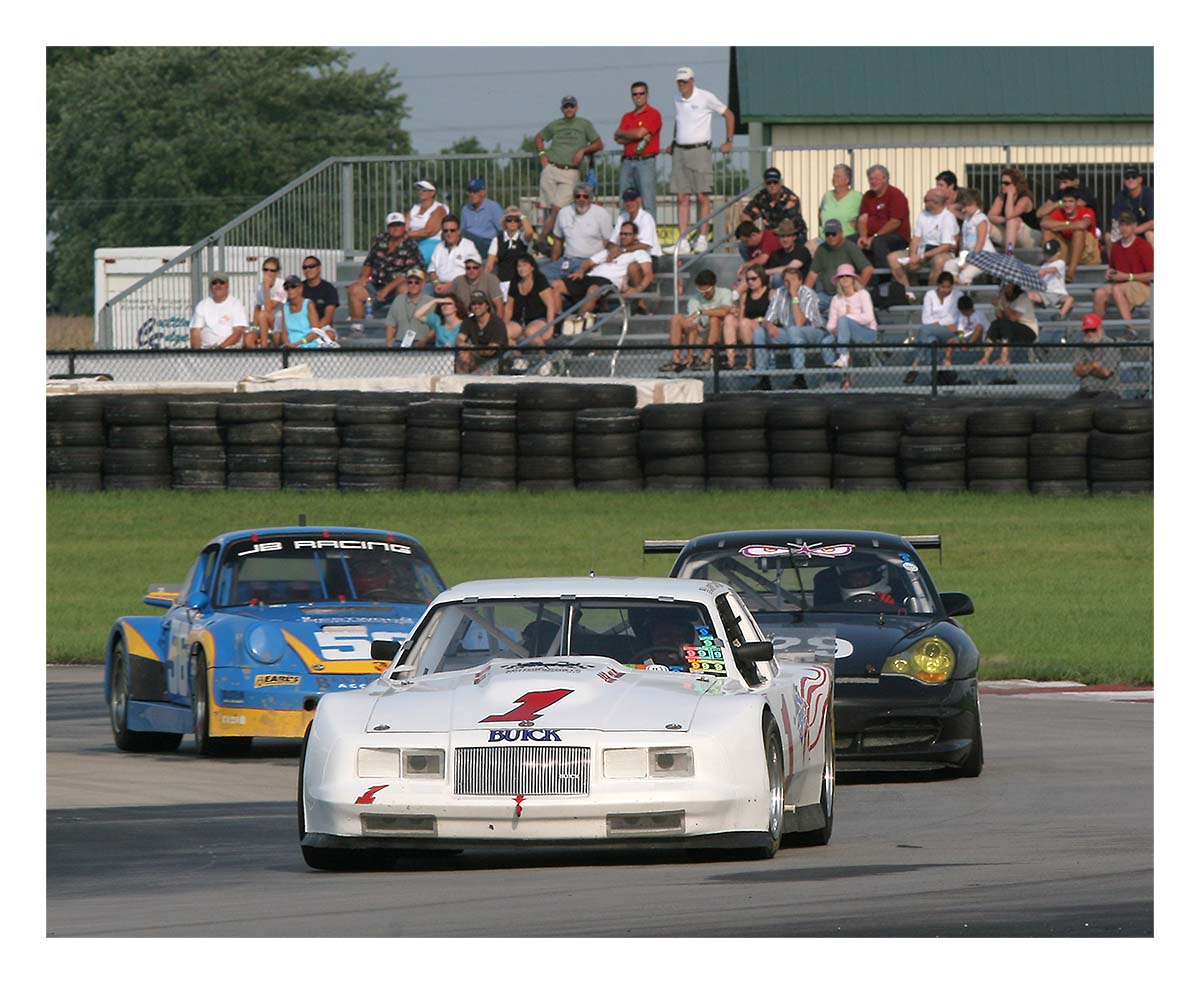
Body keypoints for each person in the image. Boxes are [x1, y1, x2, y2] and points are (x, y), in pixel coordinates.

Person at [669, 66, 735, 255]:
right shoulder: (676, 98)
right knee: (681, 197)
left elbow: (728, 114)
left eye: (685, 81)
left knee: (702, 196)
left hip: (700, 150)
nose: (682, 85)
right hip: (680, 150)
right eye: (679, 82)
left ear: (692, 81)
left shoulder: (706, 96)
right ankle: (682, 240)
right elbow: (679, 120)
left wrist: (728, 141)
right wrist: (673, 141)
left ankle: (702, 237)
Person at [534, 96, 603, 250]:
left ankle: (541, 239)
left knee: (559, 208)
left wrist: (583, 150)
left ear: (576, 108)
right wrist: (542, 155)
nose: (569, 109)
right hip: (551, 168)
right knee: (549, 209)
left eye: (571, 106)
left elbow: (599, 144)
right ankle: (554, 242)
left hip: (570, 171)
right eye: (566, 107)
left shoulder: (584, 124)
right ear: (562, 109)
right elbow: (538, 138)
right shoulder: (555, 124)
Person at [551, 221, 652, 316]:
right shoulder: (611, 251)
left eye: (627, 234)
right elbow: (589, 262)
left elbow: (648, 273)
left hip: (609, 281)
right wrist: (580, 270)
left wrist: (638, 289)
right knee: (556, 284)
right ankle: (557, 322)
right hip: (591, 277)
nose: (623, 237)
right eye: (621, 234)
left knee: (593, 290)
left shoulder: (639, 253)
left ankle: (577, 321)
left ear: (635, 236)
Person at [753, 265, 828, 389]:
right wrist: (769, 324)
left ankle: (800, 377)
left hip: (813, 331)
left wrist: (794, 296)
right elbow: (767, 318)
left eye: (793, 281)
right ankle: (763, 377)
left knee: (795, 331)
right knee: (759, 332)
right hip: (789, 332)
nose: (789, 284)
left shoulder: (808, 293)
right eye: (787, 281)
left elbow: (800, 322)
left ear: (800, 281)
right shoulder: (779, 292)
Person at [887, 188, 958, 299]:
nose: (924, 202)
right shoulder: (923, 214)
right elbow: (916, 238)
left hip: (940, 251)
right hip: (922, 249)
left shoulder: (947, 217)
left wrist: (920, 257)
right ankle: (908, 293)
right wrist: (912, 255)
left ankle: (930, 296)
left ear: (935, 202)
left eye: (926, 200)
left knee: (938, 261)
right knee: (892, 257)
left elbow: (945, 246)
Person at [349, 212, 421, 320]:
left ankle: (401, 329)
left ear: (404, 227)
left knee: (405, 289)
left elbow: (408, 274)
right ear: (388, 228)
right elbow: (369, 262)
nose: (395, 228)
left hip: (396, 287)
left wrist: (386, 289)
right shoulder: (380, 240)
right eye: (392, 225)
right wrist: (363, 278)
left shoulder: (411, 245)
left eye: (398, 225)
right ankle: (357, 328)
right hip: (376, 284)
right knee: (354, 289)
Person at [663, 268, 736, 371]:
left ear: (713, 285)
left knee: (715, 318)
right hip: (701, 333)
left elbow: (724, 311)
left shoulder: (725, 292)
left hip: (720, 333)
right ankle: (676, 360)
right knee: (677, 318)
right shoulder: (694, 299)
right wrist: (690, 354)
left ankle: (706, 359)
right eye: (700, 291)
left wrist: (701, 312)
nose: (704, 294)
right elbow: (693, 326)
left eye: (706, 291)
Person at [1093, 211, 1153, 328]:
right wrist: (1110, 273)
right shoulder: (1116, 246)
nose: (1124, 228)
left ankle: (1130, 329)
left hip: (1142, 286)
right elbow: (1113, 267)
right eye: (1122, 225)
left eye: (1127, 225)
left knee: (1117, 289)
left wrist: (1128, 276)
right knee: (1099, 293)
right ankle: (1096, 332)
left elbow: (1153, 274)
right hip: (1122, 285)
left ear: (1134, 226)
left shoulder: (1143, 245)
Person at [614, 81, 662, 217]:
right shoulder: (627, 116)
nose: (638, 97)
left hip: (645, 162)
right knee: (625, 201)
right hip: (627, 162)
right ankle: (625, 233)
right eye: (635, 94)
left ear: (647, 95)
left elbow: (638, 133)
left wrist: (624, 133)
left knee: (648, 203)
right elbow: (617, 138)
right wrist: (635, 135)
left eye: (641, 93)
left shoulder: (653, 114)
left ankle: (649, 237)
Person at [807, 220, 875, 317]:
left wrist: (855, 293)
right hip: (826, 295)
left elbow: (868, 269)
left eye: (833, 234)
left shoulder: (850, 247)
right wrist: (804, 297)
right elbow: (812, 275)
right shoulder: (821, 249)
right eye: (827, 234)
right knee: (805, 306)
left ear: (841, 233)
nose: (830, 237)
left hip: (845, 295)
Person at [547, 183, 613, 280]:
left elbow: (609, 242)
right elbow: (558, 241)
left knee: (575, 281)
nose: (581, 199)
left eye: (585, 196)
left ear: (591, 199)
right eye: (578, 196)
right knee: (540, 276)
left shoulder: (601, 213)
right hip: (567, 260)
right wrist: (554, 264)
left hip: (590, 262)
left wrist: (602, 262)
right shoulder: (564, 213)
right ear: (574, 198)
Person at [856, 164, 911, 279]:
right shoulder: (868, 196)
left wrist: (874, 237)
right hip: (872, 236)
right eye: (871, 179)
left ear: (885, 179)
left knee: (879, 242)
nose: (873, 182)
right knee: (849, 242)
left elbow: (895, 222)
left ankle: (884, 280)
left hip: (896, 237)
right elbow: (862, 219)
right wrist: (863, 237)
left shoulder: (896, 195)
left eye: (876, 179)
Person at [904, 272, 961, 383]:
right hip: (934, 332)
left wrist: (934, 324)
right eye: (943, 287)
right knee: (930, 340)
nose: (945, 290)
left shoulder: (958, 295)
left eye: (948, 287)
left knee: (924, 330)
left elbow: (952, 319)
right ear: (938, 285)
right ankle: (934, 376)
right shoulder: (930, 294)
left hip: (951, 332)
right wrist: (940, 324)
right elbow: (925, 319)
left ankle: (916, 364)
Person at [1040, 189, 1101, 282]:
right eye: (1065, 201)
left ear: (1077, 202)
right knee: (1047, 231)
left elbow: (1083, 224)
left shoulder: (1087, 211)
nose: (1067, 205)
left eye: (1071, 201)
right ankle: (1051, 266)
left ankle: (1070, 273)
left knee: (1079, 232)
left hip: (1087, 254)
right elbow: (1044, 223)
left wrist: (1059, 226)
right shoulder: (1059, 212)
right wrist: (1068, 224)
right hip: (1068, 251)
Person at [826, 264, 877, 373]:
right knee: (826, 341)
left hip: (866, 333)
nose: (844, 278)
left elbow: (869, 318)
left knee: (844, 320)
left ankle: (843, 356)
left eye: (847, 276)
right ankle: (831, 373)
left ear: (853, 279)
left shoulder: (863, 294)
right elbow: (830, 324)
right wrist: (836, 328)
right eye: (841, 276)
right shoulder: (836, 299)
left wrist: (847, 319)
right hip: (842, 333)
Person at [723, 263, 772, 370]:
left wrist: (757, 320)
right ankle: (730, 360)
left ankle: (750, 360)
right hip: (746, 326)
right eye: (748, 279)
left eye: (753, 279)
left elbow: (773, 317)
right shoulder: (746, 295)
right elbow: (741, 317)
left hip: (763, 326)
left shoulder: (770, 293)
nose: (750, 282)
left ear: (761, 277)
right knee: (730, 319)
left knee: (745, 323)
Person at [978, 282, 1038, 367]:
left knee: (1006, 323)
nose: (1005, 289)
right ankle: (985, 357)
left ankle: (1004, 357)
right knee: (995, 323)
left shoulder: (1023, 298)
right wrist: (997, 305)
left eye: (1007, 286)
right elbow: (1000, 316)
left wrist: (1003, 300)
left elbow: (1013, 318)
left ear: (1013, 286)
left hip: (1028, 330)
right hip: (1010, 329)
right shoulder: (1006, 300)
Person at [505, 254, 558, 348]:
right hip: (519, 321)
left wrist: (550, 328)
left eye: (524, 265)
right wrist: (504, 324)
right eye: (519, 266)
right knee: (503, 333)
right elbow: (509, 308)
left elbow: (550, 306)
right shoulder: (514, 282)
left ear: (532, 267)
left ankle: (544, 359)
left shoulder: (540, 281)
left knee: (530, 332)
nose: (521, 268)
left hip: (539, 319)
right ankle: (518, 359)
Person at [945, 188, 993, 285]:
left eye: (966, 206)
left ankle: (967, 295)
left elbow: (980, 243)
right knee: (949, 265)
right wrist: (963, 202)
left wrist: (969, 261)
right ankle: (959, 289)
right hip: (968, 255)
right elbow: (950, 208)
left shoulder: (981, 219)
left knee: (964, 275)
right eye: (962, 206)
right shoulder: (967, 217)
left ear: (974, 203)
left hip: (983, 257)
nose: (963, 209)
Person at [742, 166, 806, 239]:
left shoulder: (791, 199)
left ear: (781, 183)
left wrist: (763, 235)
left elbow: (786, 227)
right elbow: (745, 215)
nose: (772, 185)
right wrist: (753, 231)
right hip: (771, 236)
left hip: (792, 236)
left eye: (775, 182)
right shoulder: (761, 197)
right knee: (744, 244)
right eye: (769, 183)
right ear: (765, 184)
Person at [189, 272, 247, 349]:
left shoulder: (235, 304)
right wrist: (197, 353)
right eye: (214, 283)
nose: (218, 285)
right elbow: (195, 332)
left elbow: (238, 333)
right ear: (210, 286)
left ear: (227, 285)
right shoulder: (202, 305)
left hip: (229, 349)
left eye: (221, 282)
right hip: (205, 350)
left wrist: (219, 348)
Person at [988, 167, 1040, 252]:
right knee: (985, 222)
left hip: (1031, 237)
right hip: (1011, 235)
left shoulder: (1024, 199)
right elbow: (990, 216)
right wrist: (1004, 220)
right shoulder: (1000, 198)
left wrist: (1010, 196)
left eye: (1006, 183)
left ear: (1016, 184)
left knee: (1012, 221)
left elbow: (1009, 215)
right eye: (1001, 183)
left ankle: (1009, 252)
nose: (1002, 186)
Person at [456, 291, 509, 373]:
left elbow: (490, 351)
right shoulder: (468, 321)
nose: (476, 306)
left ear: (487, 306)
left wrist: (470, 347)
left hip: (497, 359)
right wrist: (467, 347)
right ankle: (462, 384)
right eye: (473, 304)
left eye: (480, 303)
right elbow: (459, 340)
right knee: (463, 356)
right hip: (478, 357)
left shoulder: (497, 323)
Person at [813, 163, 862, 253]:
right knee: (809, 248)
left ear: (847, 180)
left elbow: (862, 217)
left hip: (847, 239)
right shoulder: (827, 196)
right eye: (834, 176)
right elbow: (820, 214)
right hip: (825, 239)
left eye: (837, 176)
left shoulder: (857, 197)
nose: (834, 179)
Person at [385, 269, 439, 348]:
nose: (413, 285)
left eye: (417, 282)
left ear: (423, 284)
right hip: (400, 342)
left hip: (423, 343)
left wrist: (424, 341)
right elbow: (391, 325)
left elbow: (435, 327)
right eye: (410, 282)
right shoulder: (398, 299)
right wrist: (389, 343)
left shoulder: (430, 301)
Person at [487, 206, 535, 293]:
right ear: (505, 222)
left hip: (519, 281)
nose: (512, 222)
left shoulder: (522, 237)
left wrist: (521, 215)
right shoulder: (497, 240)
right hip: (502, 281)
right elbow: (489, 265)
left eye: (516, 220)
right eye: (509, 219)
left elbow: (530, 233)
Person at [1072, 312, 1121, 399]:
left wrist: (1085, 368)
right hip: (1086, 390)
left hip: (1107, 390)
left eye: (1093, 330)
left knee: (1097, 405)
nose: (1090, 333)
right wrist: (1093, 366)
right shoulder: (1081, 345)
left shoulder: (1110, 344)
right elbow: (1076, 371)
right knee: (1066, 404)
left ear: (1100, 328)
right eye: (1086, 330)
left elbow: (1105, 373)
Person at [428, 219, 481, 297]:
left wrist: (450, 285)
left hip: (461, 285)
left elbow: (472, 271)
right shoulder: (439, 246)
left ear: (459, 231)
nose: (448, 233)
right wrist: (436, 284)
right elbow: (432, 271)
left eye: (452, 230)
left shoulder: (468, 245)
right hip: (439, 285)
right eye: (445, 231)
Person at [1107, 167, 1154, 249]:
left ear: (1140, 180)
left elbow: (1153, 222)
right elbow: (1116, 220)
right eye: (1127, 177)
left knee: (1149, 234)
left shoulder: (1149, 194)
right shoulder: (1121, 196)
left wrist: (1133, 231)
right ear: (1124, 181)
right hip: (1129, 231)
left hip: (1143, 231)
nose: (1130, 179)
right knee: (1108, 236)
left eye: (1134, 177)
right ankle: (1115, 262)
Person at [608, 188, 662, 258]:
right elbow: (612, 242)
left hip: (650, 257)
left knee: (632, 267)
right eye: (626, 200)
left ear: (639, 201)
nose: (629, 203)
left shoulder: (646, 218)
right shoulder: (621, 217)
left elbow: (645, 245)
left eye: (632, 200)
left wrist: (622, 250)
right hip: (629, 255)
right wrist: (613, 249)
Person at [1030, 239, 1074, 320]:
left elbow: (1053, 269)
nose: (1048, 257)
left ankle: (1060, 315)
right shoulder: (1043, 265)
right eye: (1046, 254)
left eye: (1051, 254)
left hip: (1059, 294)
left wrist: (1044, 271)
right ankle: (1030, 316)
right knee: (1029, 295)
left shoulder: (1060, 263)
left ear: (1058, 253)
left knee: (1070, 299)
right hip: (1045, 293)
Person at [460, 177, 504, 258]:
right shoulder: (465, 209)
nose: (472, 194)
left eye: (475, 191)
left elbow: (502, 229)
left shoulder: (493, 207)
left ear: (483, 193)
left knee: (462, 234)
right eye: (470, 192)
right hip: (469, 242)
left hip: (487, 243)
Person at [407, 180, 448, 265]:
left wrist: (407, 234)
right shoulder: (414, 208)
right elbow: (404, 227)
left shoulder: (439, 209)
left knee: (413, 261)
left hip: (432, 242)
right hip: (413, 242)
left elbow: (429, 231)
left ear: (432, 192)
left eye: (424, 190)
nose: (420, 192)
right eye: (419, 189)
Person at [277, 275, 324, 348]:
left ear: (300, 288)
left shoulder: (308, 304)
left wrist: (298, 344)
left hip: (307, 345)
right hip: (290, 347)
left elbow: (316, 332)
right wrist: (288, 344)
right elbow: (284, 333)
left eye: (292, 287)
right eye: (286, 288)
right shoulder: (285, 307)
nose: (289, 290)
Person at [762, 219, 812, 287]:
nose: (785, 240)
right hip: (780, 291)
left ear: (794, 237)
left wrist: (764, 272)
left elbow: (790, 268)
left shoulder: (802, 251)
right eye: (782, 236)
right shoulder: (776, 254)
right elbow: (770, 276)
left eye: (788, 236)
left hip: (800, 289)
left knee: (778, 277)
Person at [250, 256, 284, 348]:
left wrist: (266, 288)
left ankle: (264, 346)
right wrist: (253, 328)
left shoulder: (282, 285)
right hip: (266, 322)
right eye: (266, 270)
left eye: (272, 270)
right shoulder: (260, 286)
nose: (268, 273)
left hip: (281, 321)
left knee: (263, 314)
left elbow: (269, 308)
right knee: (249, 338)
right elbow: (257, 307)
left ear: (277, 272)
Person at [300, 256, 339, 336]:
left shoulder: (329, 289)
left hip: (322, 327)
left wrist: (315, 331)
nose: (308, 270)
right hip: (302, 326)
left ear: (319, 268)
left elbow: (328, 317)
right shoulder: (298, 288)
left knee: (330, 335)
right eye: (305, 267)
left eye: (311, 266)